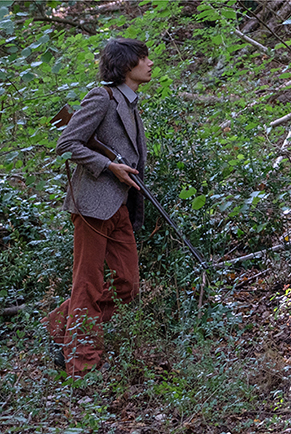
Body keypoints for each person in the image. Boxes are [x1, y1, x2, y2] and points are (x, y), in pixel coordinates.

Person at [42, 38, 154, 378]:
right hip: (91, 206)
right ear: (125, 66)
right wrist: (108, 166)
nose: (150, 62)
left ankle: (60, 324)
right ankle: (83, 365)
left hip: (118, 205)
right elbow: (67, 143)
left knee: (128, 285)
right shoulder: (101, 98)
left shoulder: (130, 102)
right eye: (142, 58)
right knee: (87, 286)